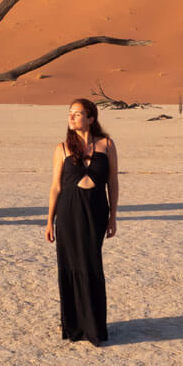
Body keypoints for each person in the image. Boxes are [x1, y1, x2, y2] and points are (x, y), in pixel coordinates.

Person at [45, 98, 119, 344]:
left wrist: (113, 216)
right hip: (68, 213)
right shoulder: (62, 148)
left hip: (96, 212)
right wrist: (49, 221)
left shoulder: (107, 145)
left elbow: (113, 183)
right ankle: (74, 327)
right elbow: (56, 187)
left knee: (91, 265)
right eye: (70, 114)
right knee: (70, 266)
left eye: (77, 114)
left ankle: (94, 326)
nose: (72, 117)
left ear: (91, 118)